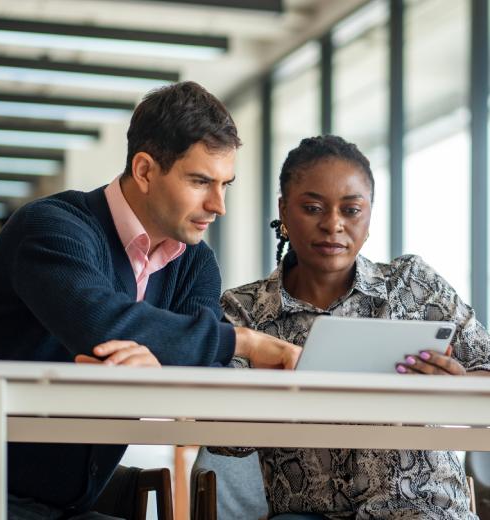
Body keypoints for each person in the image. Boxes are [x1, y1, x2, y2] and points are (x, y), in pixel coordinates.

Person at [0, 81, 300, 520]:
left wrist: (160, 361)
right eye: (200, 181)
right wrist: (244, 341)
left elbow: (199, 370)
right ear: (145, 171)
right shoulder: (49, 229)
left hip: (71, 505)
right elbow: (105, 326)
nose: (218, 204)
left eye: (226, 184)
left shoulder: (195, 262)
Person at [209, 135, 490, 519]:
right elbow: (225, 442)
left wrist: (458, 387)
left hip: (423, 506)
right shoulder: (244, 310)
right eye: (312, 208)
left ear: (370, 216)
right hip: (308, 513)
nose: (333, 225)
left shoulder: (413, 284)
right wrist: (271, 395)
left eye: (352, 210)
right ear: (284, 212)